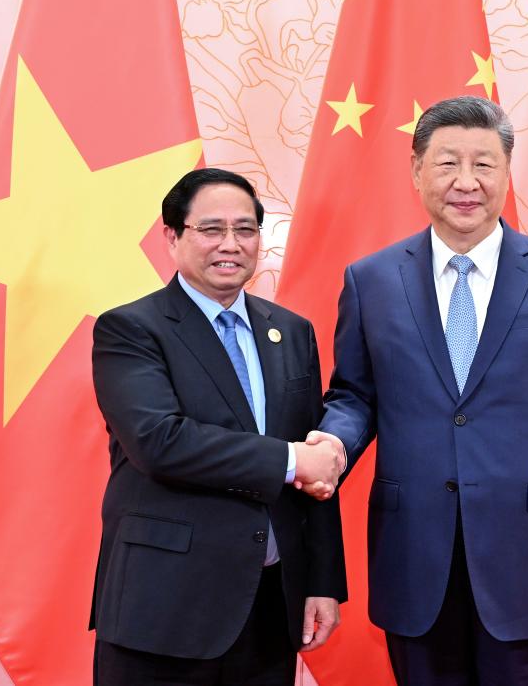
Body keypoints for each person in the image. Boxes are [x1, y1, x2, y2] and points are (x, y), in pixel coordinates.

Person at [309, 96, 528, 685]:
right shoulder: (370, 280)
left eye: (483, 164)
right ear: (416, 171)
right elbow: (355, 395)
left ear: (506, 172)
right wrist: (332, 442)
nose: (466, 182)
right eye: (447, 162)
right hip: (415, 553)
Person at [89, 168, 347, 685]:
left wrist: (322, 581)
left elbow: (315, 468)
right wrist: (291, 459)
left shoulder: (291, 331)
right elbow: (160, 442)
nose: (231, 244)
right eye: (211, 229)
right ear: (172, 236)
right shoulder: (131, 329)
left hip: (270, 606)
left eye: (245, 229)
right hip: (164, 609)